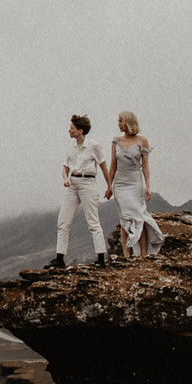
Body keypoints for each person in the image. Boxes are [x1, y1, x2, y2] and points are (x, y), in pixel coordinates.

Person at [53, 114, 110, 268]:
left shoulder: (94, 146)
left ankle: (101, 258)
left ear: (80, 130)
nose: (69, 131)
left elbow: (104, 167)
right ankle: (59, 258)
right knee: (63, 221)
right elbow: (64, 168)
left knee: (93, 220)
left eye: (71, 128)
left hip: (88, 183)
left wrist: (109, 186)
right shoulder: (71, 148)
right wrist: (66, 178)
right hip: (73, 183)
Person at [109, 111, 162, 259]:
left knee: (139, 217)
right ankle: (126, 255)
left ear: (128, 122)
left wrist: (148, 187)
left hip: (135, 182)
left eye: (120, 121)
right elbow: (112, 166)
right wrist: (109, 186)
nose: (118, 124)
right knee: (125, 218)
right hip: (120, 183)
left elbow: (145, 166)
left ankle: (143, 254)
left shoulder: (142, 141)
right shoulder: (115, 142)